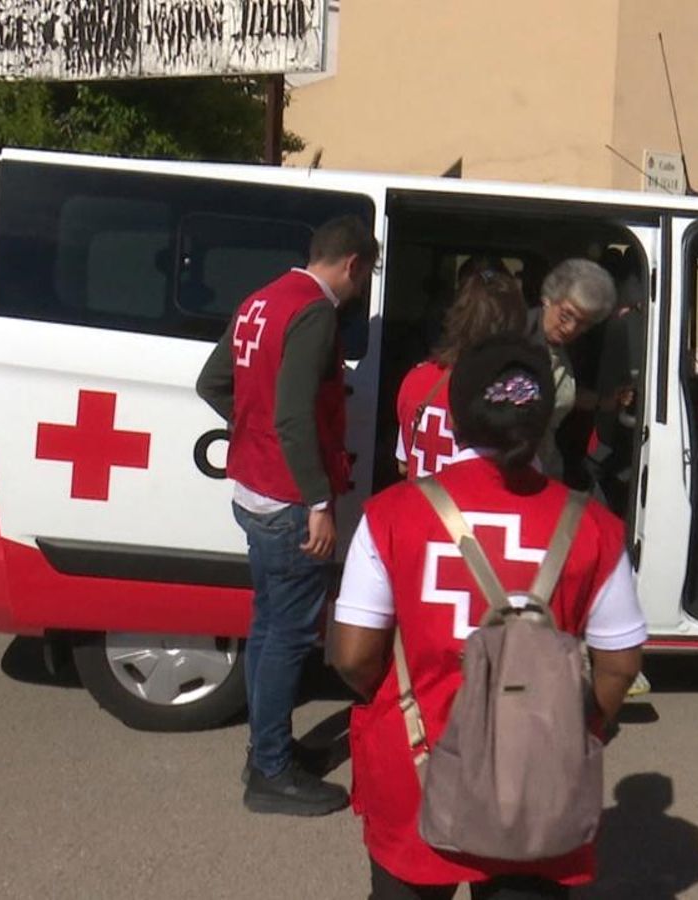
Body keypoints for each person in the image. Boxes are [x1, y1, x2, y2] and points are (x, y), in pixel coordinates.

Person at [330, 334, 647, 899]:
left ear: (456, 415)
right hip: (535, 774)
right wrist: (581, 728)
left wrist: (400, 701)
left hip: (414, 760)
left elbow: (354, 655)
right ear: (546, 418)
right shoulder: (596, 527)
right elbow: (619, 666)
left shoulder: (391, 514)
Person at [194, 215, 380, 817]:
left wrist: (253, 432)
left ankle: (266, 750)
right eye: (368, 274)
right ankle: (270, 771)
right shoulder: (315, 312)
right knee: (288, 636)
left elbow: (213, 382)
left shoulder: (262, 299)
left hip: (253, 490)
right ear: (353, 264)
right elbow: (296, 416)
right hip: (289, 501)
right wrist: (319, 502)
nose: (363, 287)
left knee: (269, 626)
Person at [396, 267, 527, 478]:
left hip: (420, 505)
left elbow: (403, 464)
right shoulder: (511, 391)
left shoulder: (416, 379)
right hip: (471, 508)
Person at [526, 259, 618, 483]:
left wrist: (602, 402)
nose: (571, 329)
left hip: (546, 464)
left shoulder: (560, 346)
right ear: (548, 298)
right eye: (566, 315)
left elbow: (558, 392)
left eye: (583, 323)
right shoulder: (520, 341)